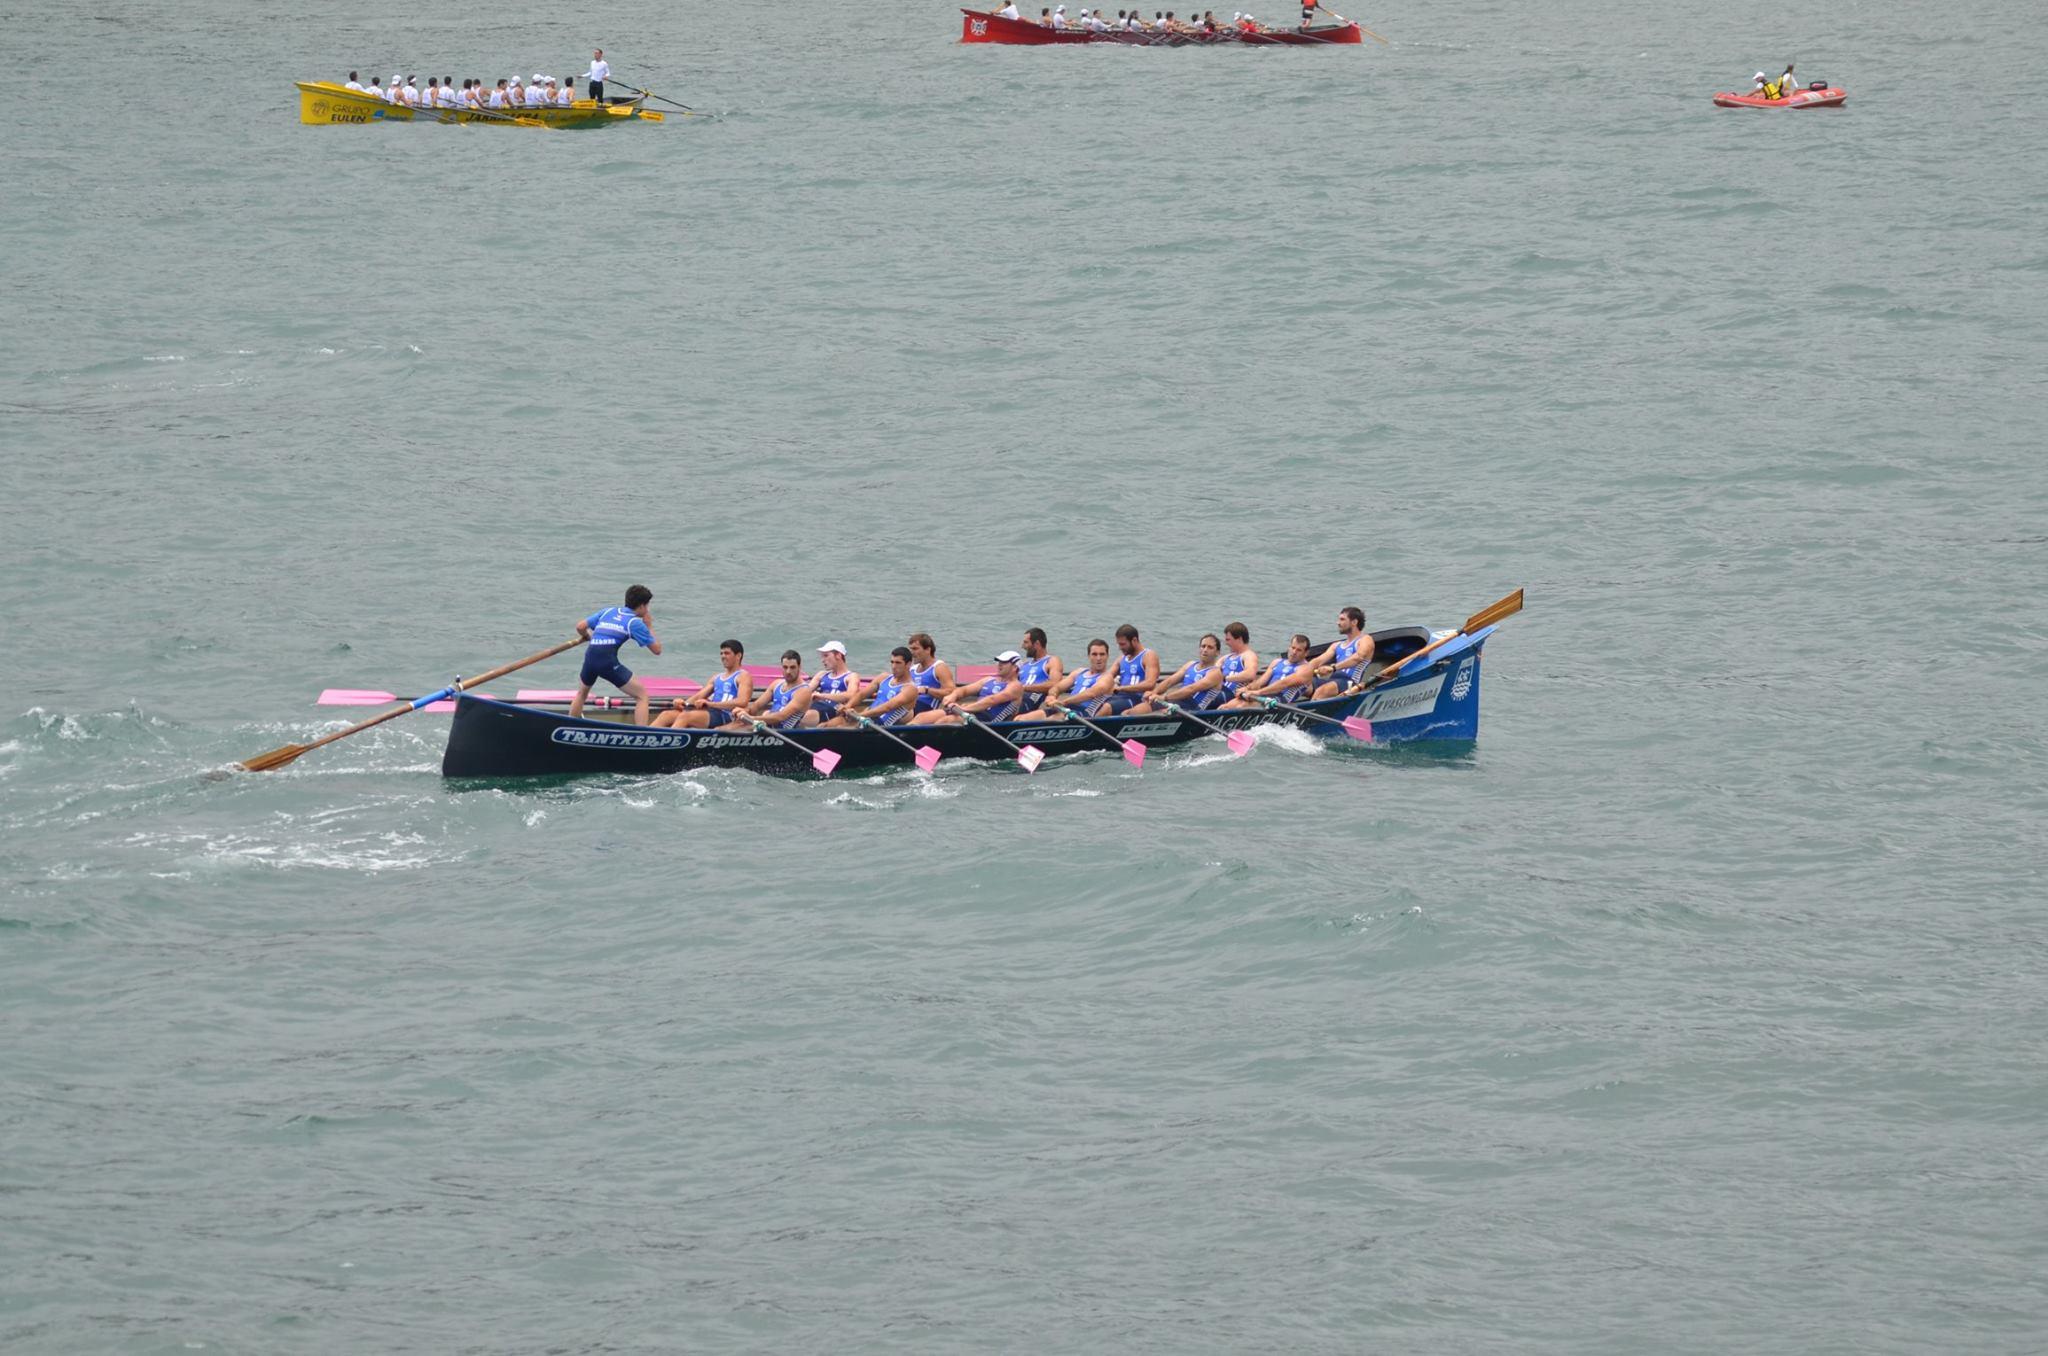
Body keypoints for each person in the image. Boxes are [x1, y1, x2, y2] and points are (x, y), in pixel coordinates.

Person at [571, 584, 662, 724]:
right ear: (642, 606)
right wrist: (649, 625)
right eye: (647, 605)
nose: (648, 609)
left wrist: (588, 636)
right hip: (606, 662)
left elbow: (580, 626)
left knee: (582, 694)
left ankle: (570, 725)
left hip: (590, 657)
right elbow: (657, 650)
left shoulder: (608, 611)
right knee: (642, 696)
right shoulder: (634, 623)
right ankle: (641, 732)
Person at [653, 639, 754, 729]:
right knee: (666, 715)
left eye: (727, 653)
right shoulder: (716, 677)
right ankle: (646, 737)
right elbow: (698, 697)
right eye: (721, 653)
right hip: (712, 712)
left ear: (738, 656)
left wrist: (711, 704)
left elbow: (742, 702)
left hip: (728, 715)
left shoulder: (743, 676)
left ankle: (672, 740)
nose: (723, 656)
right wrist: (683, 703)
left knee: (686, 717)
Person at [911, 651, 1026, 726]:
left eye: (1004, 663)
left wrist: (964, 708)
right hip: (972, 714)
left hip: (989, 721)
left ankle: (928, 745)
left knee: (946, 721)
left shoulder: (1015, 686)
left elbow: (991, 700)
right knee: (922, 717)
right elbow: (964, 690)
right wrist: (953, 696)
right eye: (999, 662)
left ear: (1015, 667)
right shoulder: (988, 680)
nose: (999, 665)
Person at [1015, 639, 1115, 722]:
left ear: (1107, 656)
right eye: (1094, 654)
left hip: (1083, 714)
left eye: (1102, 654)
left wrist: (1064, 702)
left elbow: (1091, 693)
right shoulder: (1079, 672)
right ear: (1089, 656)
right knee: (1020, 719)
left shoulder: (1107, 677)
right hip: (1065, 709)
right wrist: (1052, 696)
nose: (1098, 658)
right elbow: (1057, 687)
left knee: (1052, 720)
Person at [1135, 633, 1228, 714]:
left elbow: (1191, 689)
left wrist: (1164, 697)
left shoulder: (1215, 673)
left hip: (1193, 708)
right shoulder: (1190, 664)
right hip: (1180, 702)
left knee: (1146, 709)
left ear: (1217, 652)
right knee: (1137, 709)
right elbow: (1170, 681)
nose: (1205, 650)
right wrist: (1153, 693)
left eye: (1210, 647)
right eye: (1203, 646)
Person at [1224, 634, 1316, 708]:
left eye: (1299, 650)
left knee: (1242, 706)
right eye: (1293, 647)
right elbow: (1261, 682)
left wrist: (1257, 692)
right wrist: (1248, 688)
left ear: (1306, 653)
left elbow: (1284, 684)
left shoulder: (1306, 669)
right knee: (1226, 706)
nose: (1294, 652)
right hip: (1265, 695)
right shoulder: (1276, 662)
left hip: (1281, 700)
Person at [1303, 605, 1376, 698]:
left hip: (1350, 682)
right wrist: (1301, 670)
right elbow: (1318, 660)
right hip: (1333, 680)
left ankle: (1312, 704)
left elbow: (1358, 657)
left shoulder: (1365, 639)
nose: (1338, 623)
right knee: (1300, 684)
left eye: (1342, 619)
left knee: (1322, 691)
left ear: (1354, 622)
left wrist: (1333, 668)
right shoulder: (1336, 645)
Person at [840, 647, 923, 727]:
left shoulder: (910, 689)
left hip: (883, 726)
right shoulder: (883, 678)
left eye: (898, 663)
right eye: (892, 662)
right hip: (868, 720)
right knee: (836, 722)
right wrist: (848, 706)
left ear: (908, 664)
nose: (893, 666)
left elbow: (887, 708)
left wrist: (859, 715)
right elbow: (862, 695)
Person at [741, 650, 819, 730]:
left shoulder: (803, 691)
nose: (788, 671)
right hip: (768, 728)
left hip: (786, 732)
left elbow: (781, 717)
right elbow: (756, 705)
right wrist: (744, 711)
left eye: (792, 667)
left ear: (799, 667)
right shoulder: (776, 684)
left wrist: (751, 718)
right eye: (785, 667)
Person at [1107, 624, 1159, 713]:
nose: (1120, 648)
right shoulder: (1121, 658)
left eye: (1123, 644)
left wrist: (1121, 688)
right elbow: (1107, 676)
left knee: (1106, 707)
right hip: (1119, 697)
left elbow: (1150, 683)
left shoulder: (1148, 656)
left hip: (1137, 699)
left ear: (1134, 640)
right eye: (1119, 644)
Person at [1016, 627, 1063, 714]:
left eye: (1026, 642)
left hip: (1032, 697)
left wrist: (1025, 688)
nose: (1022, 646)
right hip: (1017, 695)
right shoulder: (1024, 665)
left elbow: (1055, 684)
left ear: (1037, 644)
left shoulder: (1052, 661)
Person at [810, 641, 858, 724]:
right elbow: (805, 690)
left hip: (833, 710)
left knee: (808, 715)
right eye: (822, 656)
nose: (823, 660)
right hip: (815, 706)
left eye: (826, 656)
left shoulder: (851, 676)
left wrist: (822, 696)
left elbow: (851, 695)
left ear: (838, 655)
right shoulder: (821, 674)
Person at [907, 633, 954, 716]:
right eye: (910, 649)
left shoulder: (939, 667)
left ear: (928, 650)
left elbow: (951, 692)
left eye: (915, 649)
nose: (911, 653)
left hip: (925, 708)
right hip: (910, 704)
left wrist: (927, 690)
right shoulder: (912, 669)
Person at [1216, 621, 1259, 703]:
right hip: (1217, 691)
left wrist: (1225, 678)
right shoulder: (1225, 658)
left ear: (1239, 639)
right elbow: (1211, 671)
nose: (1226, 643)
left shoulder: (1249, 655)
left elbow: (1250, 674)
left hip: (1231, 694)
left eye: (1228, 640)